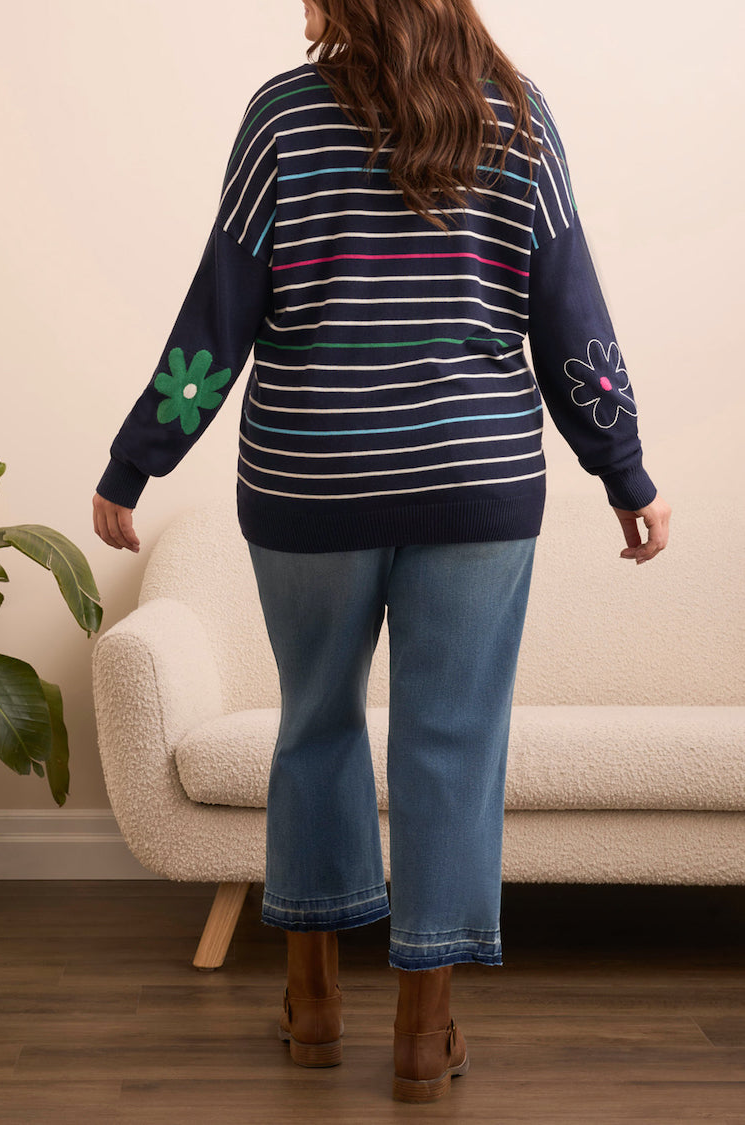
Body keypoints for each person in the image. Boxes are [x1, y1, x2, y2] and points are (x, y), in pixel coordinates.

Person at [93, 0, 671, 1103]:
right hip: (476, 481)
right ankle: (422, 1032)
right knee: (452, 745)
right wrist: (624, 470)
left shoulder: (283, 117)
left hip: (311, 478)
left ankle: (313, 1005)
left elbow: (219, 314)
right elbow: (570, 313)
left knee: (314, 726)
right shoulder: (516, 120)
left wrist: (137, 461)